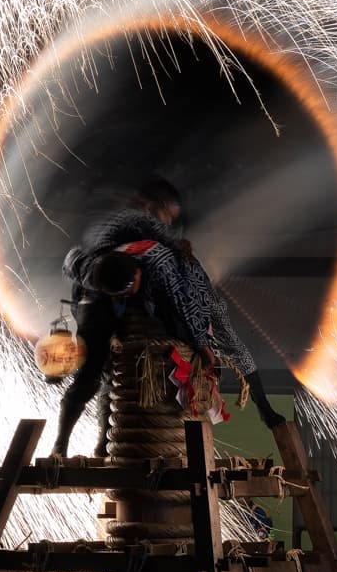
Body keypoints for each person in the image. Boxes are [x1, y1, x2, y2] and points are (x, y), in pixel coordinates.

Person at [78, 178, 285, 431]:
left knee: (225, 333)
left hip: (181, 290)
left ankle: (262, 405)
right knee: (111, 365)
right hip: (127, 293)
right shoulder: (130, 225)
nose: (168, 223)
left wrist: (200, 340)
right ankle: (103, 433)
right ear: (147, 204)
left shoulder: (165, 254)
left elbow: (183, 293)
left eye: (171, 219)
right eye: (165, 215)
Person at [51, 243, 216, 456]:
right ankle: (59, 445)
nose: (128, 293)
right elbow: (72, 260)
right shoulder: (89, 274)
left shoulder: (160, 268)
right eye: (122, 292)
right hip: (95, 309)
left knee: (115, 378)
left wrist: (201, 344)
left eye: (129, 289)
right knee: (90, 375)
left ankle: (104, 446)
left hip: (135, 305)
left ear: (137, 272)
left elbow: (184, 307)